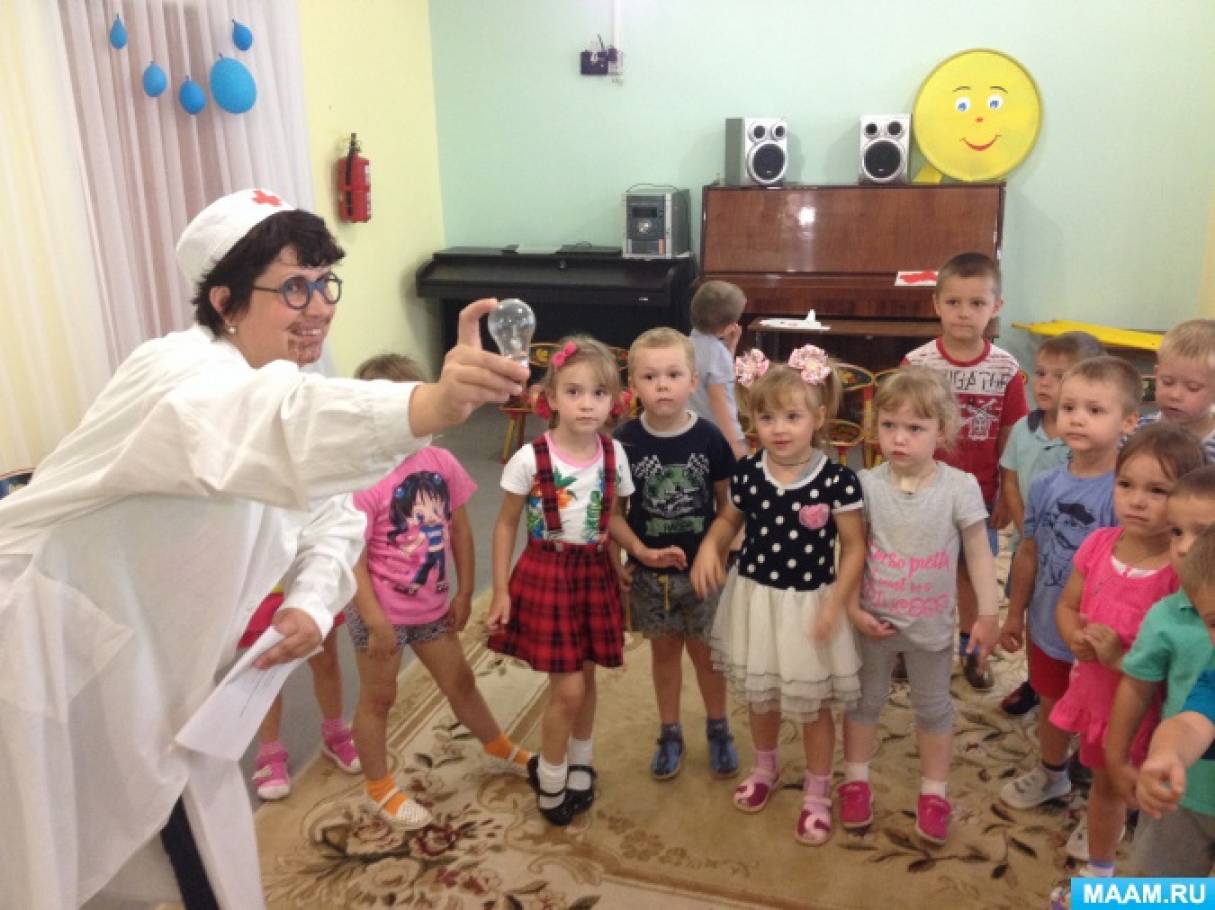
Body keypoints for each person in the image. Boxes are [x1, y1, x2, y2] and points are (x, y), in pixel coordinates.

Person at [0, 188, 529, 910]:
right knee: (74, 848)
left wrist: (309, 602)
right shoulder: (177, 373)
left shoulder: (276, 382)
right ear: (225, 301)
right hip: (50, 641)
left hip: (159, 659)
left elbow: (333, 516)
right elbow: (276, 425)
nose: (318, 307)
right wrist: (431, 403)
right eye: (292, 288)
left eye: (324, 283)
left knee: (157, 838)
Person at [487, 335, 678, 826]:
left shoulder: (614, 455)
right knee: (568, 688)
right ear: (550, 398)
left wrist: (637, 552)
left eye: (598, 393)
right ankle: (551, 779)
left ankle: (580, 764)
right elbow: (506, 523)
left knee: (587, 676)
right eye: (574, 392)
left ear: (615, 402)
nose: (587, 404)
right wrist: (501, 589)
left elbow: (611, 517)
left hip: (594, 574)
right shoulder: (530, 458)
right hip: (548, 573)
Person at [347, 353, 531, 829]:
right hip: (380, 614)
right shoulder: (361, 479)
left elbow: (460, 530)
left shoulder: (441, 462)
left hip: (430, 607)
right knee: (378, 699)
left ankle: (498, 746)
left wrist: (466, 591)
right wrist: (375, 620)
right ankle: (379, 788)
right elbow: (351, 559)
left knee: (461, 681)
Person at [691, 346, 864, 846]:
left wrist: (837, 602)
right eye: (766, 418)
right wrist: (710, 547)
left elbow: (855, 547)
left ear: (819, 417)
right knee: (761, 693)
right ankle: (765, 768)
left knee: (813, 703)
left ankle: (817, 790)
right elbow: (729, 521)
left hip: (811, 602)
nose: (779, 428)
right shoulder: (748, 473)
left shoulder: (837, 480)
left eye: (792, 416)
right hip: (756, 601)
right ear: (753, 420)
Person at [841, 367, 999, 846]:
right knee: (864, 702)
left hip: (931, 626)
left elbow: (978, 552)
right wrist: (851, 607)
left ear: (942, 430)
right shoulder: (866, 484)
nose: (899, 438)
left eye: (915, 428)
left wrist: (987, 613)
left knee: (933, 707)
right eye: (889, 425)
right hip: (873, 621)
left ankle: (934, 792)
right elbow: (850, 551)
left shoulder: (959, 487)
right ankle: (856, 780)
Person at [1047, 424, 1203, 880]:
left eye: (1157, 491)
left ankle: (1155, 883)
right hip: (1098, 701)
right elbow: (1068, 605)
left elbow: (1189, 658)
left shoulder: (1183, 570)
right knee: (1107, 788)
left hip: (1152, 716)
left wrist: (1119, 659)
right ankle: (1100, 872)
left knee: (1162, 812)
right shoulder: (1098, 544)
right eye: (1126, 484)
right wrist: (1074, 636)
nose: (1137, 500)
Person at [999, 357, 1142, 822]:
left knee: (1107, 718)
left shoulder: (1127, 494)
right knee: (1051, 699)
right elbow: (1029, 551)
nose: (1077, 418)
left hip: (1105, 637)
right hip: (1048, 621)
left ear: (1128, 422)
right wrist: (1014, 613)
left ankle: (1105, 805)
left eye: (1095, 410)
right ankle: (1052, 772)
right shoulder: (1044, 485)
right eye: (1069, 408)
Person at [614, 328, 739, 781]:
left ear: (693, 381)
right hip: (650, 575)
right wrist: (634, 552)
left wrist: (716, 552)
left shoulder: (709, 438)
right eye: (650, 377)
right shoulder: (624, 441)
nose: (662, 385)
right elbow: (614, 513)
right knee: (664, 655)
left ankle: (718, 726)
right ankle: (670, 732)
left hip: (704, 572)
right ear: (633, 385)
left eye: (673, 375)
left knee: (708, 657)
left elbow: (729, 506)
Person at [904, 252, 1028, 690]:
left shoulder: (1006, 369)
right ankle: (909, 645)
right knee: (917, 572)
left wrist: (1006, 495)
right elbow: (901, 429)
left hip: (979, 496)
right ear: (936, 304)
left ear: (996, 307)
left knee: (972, 577)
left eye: (977, 303)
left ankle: (972, 649)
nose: (963, 313)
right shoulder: (917, 364)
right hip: (922, 492)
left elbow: (1011, 436)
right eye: (954, 302)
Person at [1106, 468, 1215, 876]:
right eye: (1176, 532)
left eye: (1204, 534)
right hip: (1181, 798)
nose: (1185, 548)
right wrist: (1163, 755)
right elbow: (1188, 723)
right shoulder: (1168, 617)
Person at [997, 331, 1104, 716]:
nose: (1044, 383)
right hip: (1029, 543)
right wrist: (1024, 524)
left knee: (1074, 613)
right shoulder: (1022, 429)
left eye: (1059, 376)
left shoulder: (1084, 439)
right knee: (1031, 609)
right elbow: (1010, 478)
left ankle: (1080, 684)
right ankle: (1035, 680)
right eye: (1040, 373)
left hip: (1073, 549)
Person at [241, 586, 361, 801]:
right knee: (264, 673)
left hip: (307, 586)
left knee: (326, 661)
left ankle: (335, 732)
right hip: (259, 591)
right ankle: (270, 752)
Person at [1133, 318, 1215, 461]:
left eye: (1193, 388)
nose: (1175, 395)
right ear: (1156, 375)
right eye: (1167, 382)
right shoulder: (1135, 432)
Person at [688, 280, 749, 459]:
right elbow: (720, 401)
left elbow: (712, 373)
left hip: (690, 432)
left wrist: (730, 347)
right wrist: (736, 444)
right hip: (714, 439)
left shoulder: (686, 345)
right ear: (728, 326)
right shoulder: (717, 354)